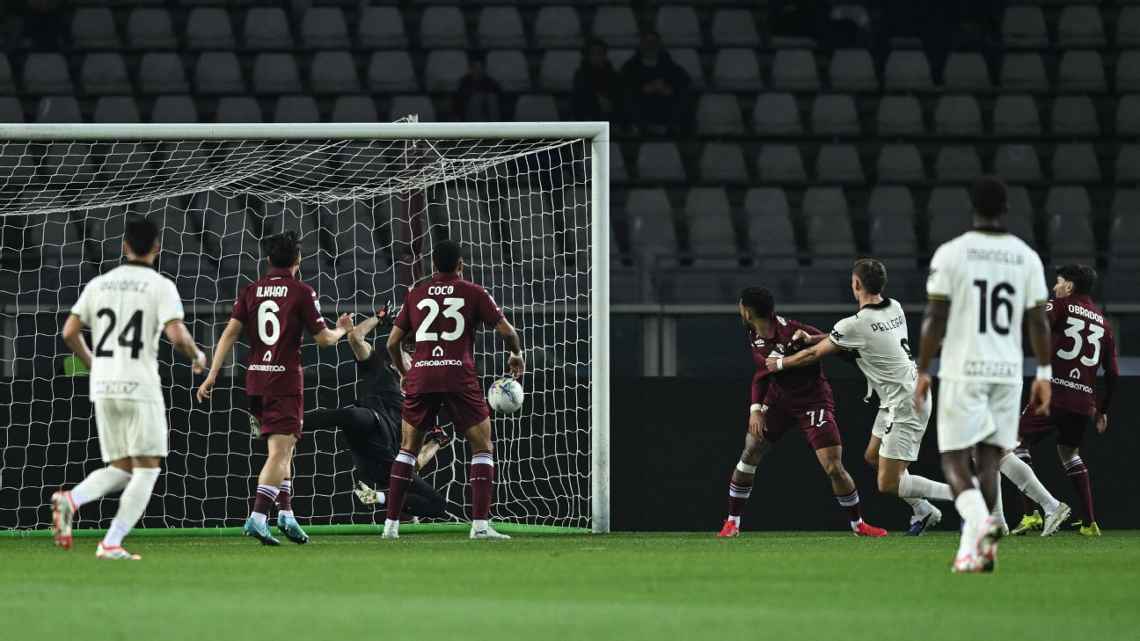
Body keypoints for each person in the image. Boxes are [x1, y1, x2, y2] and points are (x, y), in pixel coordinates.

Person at [914, 176, 1053, 573]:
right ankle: (977, 549)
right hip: (1008, 373)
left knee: (955, 460)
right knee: (989, 460)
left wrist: (924, 368)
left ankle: (981, 522)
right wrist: (1043, 372)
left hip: (964, 370)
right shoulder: (1026, 256)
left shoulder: (952, 253)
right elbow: (1038, 323)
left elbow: (935, 317)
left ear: (971, 208)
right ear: (1006, 209)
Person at [53, 215, 208, 560]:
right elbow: (177, 335)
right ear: (156, 247)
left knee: (124, 468)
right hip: (139, 385)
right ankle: (111, 542)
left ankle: (72, 500)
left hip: (104, 385)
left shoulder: (101, 283)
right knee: (148, 467)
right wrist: (198, 355)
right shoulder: (160, 286)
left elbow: (68, 333)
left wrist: (93, 362)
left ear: (124, 247)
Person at [765, 259, 954, 535]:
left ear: (856, 284)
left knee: (888, 482)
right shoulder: (895, 307)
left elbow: (815, 355)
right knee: (873, 456)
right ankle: (924, 510)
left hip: (905, 403)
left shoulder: (856, 324)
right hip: (899, 397)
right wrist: (812, 338)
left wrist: (780, 364)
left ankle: (966, 495)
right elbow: (846, 338)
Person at [196, 231, 353, 545]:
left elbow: (228, 334)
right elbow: (323, 340)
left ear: (268, 260)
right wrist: (341, 330)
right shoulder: (301, 292)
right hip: (283, 382)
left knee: (281, 450)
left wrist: (212, 374)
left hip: (254, 381)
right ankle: (257, 516)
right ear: (298, 260)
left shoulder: (252, 290)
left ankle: (286, 513)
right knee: (280, 453)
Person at [382, 239, 524, 540]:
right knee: (482, 447)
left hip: (422, 376)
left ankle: (391, 526)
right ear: (461, 265)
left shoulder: (416, 294)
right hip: (459, 377)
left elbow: (392, 343)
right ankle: (480, 526)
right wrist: (515, 354)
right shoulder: (473, 292)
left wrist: (405, 372)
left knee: (407, 449)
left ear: (433, 266)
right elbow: (507, 331)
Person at [718, 287, 887, 538]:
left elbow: (837, 343)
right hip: (777, 401)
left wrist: (812, 340)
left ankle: (858, 524)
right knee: (751, 448)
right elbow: (763, 373)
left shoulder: (793, 331)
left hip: (813, 401)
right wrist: (756, 410)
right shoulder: (753, 332)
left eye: (740, 307)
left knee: (833, 466)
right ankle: (732, 522)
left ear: (747, 311)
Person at [302, 304, 452, 520]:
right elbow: (355, 338)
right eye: (410, 356)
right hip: (369, 428)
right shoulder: (382, 373)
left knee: (437, 504)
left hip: (386, 461)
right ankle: (287, 424)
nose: (413, 359)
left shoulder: (422, 405)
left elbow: (416, 462)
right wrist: (379, 318)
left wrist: (436, 442)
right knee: (354, 415)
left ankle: (378, 497)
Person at [1009, 264, 1117, 537]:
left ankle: (1032, 513)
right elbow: (1113, 373)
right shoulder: (1104, 323)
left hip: (1053, 393)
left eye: (1058, 282)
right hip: (1082, 402)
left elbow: (1036, 325)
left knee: (1015, 445)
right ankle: (1090, 522)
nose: (1055, 287)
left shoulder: (1060, 305)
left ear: (1069, 287)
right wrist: (1102, 410)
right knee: (1070, 454)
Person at [620, 31, 691, 135]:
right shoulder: (630, 67)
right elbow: (623, 85)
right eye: (647, 42)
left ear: (659, 45)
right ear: (641, 44)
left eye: (653, 42)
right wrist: (642, 89)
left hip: (666, 110)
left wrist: (670, 90)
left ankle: (672, 128)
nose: (650, 46)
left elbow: (685, 82)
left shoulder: (669, 65)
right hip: (641, 110)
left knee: (684, 96)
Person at [572, 39, 625, 126]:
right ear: (588, 55)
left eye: (599, 53)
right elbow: (581, 93)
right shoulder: (580, 74)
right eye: (593, 53)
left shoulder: (613, 74)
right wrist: (597, 98)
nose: (596, 56)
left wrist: (608, 101)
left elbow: (618, 93)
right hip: (589, 110)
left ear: (605, 55)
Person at [453, 52, 503, 122]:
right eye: (475, 68)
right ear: (470, 69)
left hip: (489, 117)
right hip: (469, 117)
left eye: (480, 68)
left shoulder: (492, 83)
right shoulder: (464, 83)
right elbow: (458, 105)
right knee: (477, 99)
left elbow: (499, 102)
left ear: (484, 68)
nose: (478, 70)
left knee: (491, 98)